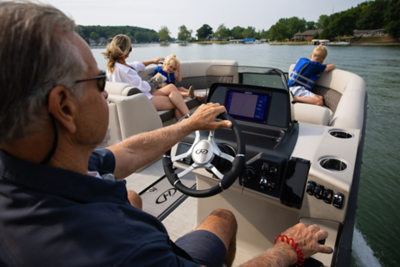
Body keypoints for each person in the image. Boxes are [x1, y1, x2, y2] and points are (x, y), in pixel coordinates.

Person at [0, 2, 333, 266]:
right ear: (64, 107)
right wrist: (287, 250)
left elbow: (127, 154)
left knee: (131, 196)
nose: (105, 92)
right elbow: (127, 246)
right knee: (222, 217)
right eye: (98, 82)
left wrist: (187, 125)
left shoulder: (35, 165)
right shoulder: (124, 247)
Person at [103, 34, 190, 120]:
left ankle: (187, 122)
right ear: (124, 51)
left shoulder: (113, 66)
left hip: (139, 96)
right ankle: (190, 119)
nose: (130, 51)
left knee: (171, 87)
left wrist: (153, 61)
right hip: (142, 100)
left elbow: (137, 65)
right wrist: (153, 81)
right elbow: (144, 88)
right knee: (178, 102)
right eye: (130, 49)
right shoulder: (126, 71)